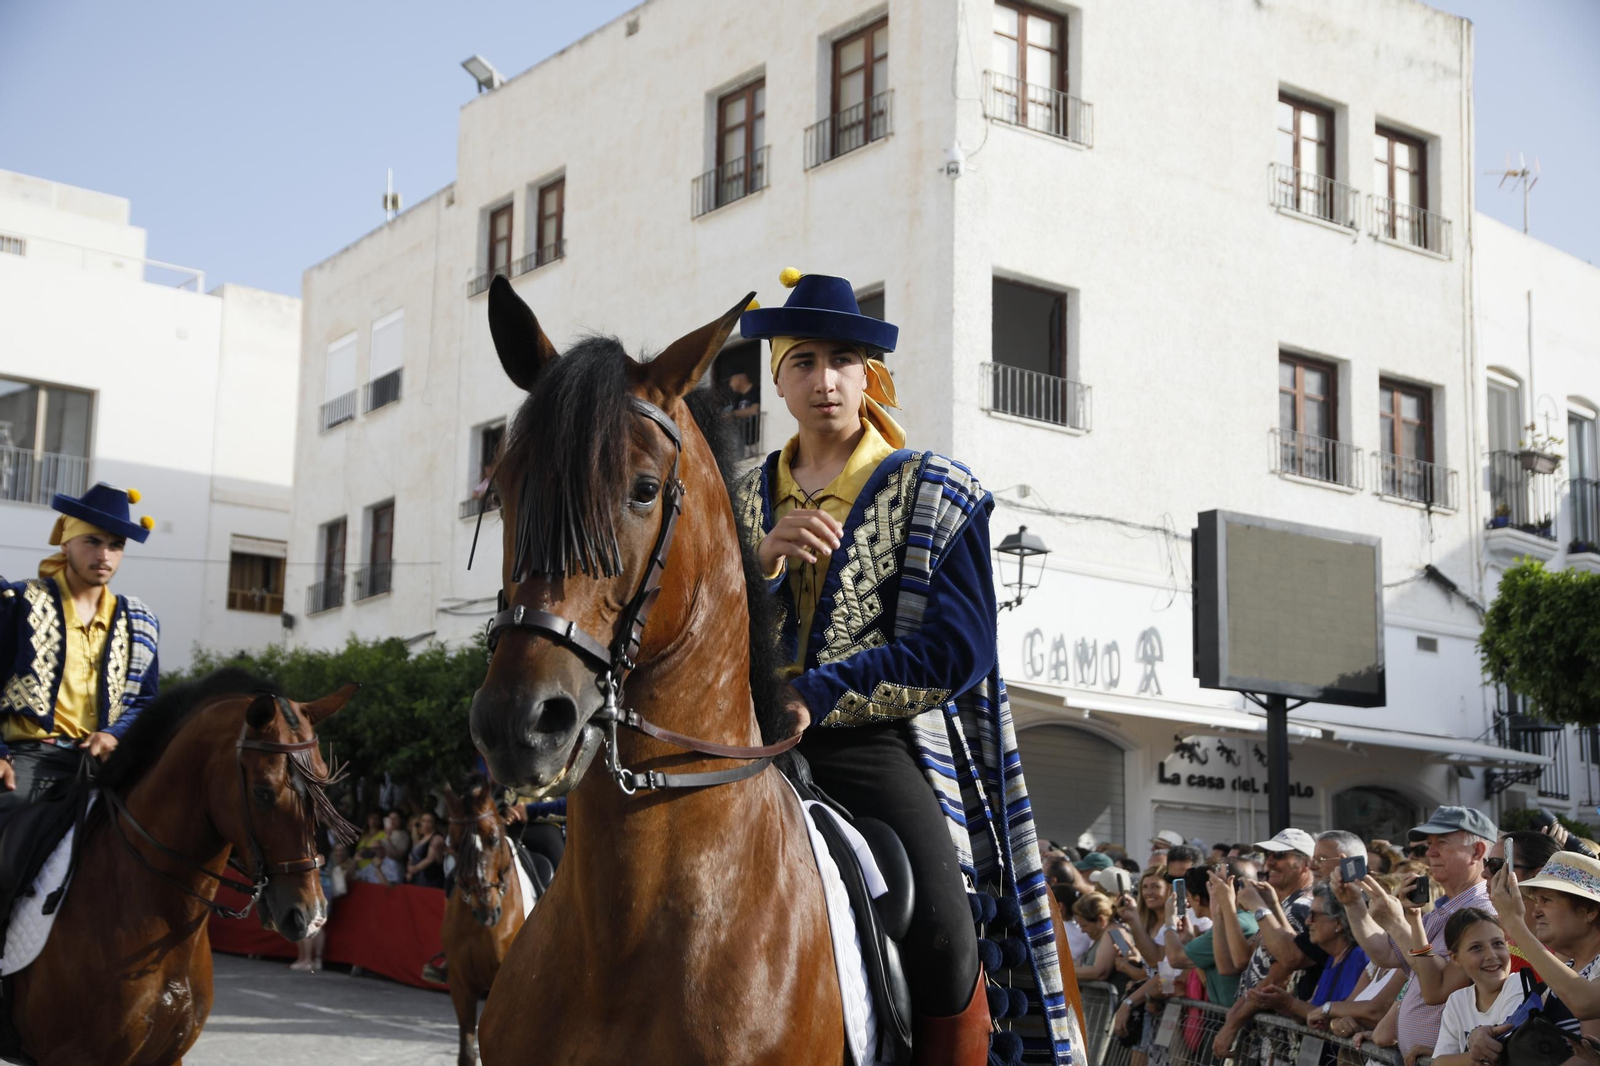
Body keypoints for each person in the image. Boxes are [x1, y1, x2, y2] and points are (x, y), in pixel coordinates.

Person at [735, 268, 1075, 1061]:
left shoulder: (938, 491)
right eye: (804, 361)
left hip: (868, 744)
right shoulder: (737, 500)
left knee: (948, 935)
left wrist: (821, 694)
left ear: (870, 375)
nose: (825, 380)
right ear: (779, 380)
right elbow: (695, 626)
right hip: (737, 740)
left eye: (843, 360)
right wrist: (760, 564)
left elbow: (960, 649)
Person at [0, 483, 159, 810]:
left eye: (116, 545)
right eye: (92, 541)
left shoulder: (139, 621)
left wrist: (114, 734)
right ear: (65, 542)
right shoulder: (19, 603)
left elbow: (146, 700)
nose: (104, 556)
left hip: (104, 765)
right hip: (31, 757)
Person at [1337, 805, 1494, 1063]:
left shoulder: (1483, 913)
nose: (1430, 852)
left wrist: (1396, 923)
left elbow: (1438, 986)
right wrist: (1353, 904)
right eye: (1429, 844)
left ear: (1477, 851)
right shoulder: (1444, 909)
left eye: (1442, 842)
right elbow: (1386, 955)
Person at [1476, 852, 1600, 1060]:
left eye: (1547, 900)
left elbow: (1585, 1003)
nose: (1536, 912)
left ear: (1590, 910)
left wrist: (1514, 924)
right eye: (1536, 900)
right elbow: (1512, 1028)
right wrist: (1481, 1035)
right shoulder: (1567, 970)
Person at [1245, 883, 1370, 1025]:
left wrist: (1290, 1003)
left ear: (1338, 922)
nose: (1308, 921)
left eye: (1314, 915)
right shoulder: (1332, 958)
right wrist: (1280, 1003)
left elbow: (1340, 1019)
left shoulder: (1359, 957)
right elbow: (1312, 1012)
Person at [1427, 908, 1532, 1066]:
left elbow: (1505, 1051)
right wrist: (1476, 1054)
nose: (1491, 955)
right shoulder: (1457, 1000)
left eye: (1498, 944)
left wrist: (1464, 1058)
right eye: (1476, 947)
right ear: (1455, 958)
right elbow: (1438, 1062)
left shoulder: (1519, 984)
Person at [1178, 864, 1259, 1005]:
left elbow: (1176, 959)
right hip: (1227, 1011)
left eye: (1216, 883)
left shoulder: (1240, 923)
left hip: (1238, 1011)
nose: (1188, 904)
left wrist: (1169, 920)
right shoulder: (1229, 922)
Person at [406, 811, 447, 888]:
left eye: (429, 822)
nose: (425, 824)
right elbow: (411, 854)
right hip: (415, 876)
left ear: (434, 824)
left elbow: (430, 859)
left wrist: (414, 869)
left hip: (429, 878)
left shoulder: (436, 837)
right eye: (423, 821)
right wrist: (409, 866)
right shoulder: (420, 836)